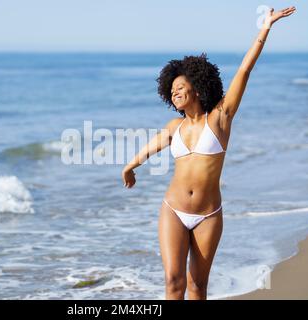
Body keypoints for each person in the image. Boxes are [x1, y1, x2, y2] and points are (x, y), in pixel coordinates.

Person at [121, 6, 296, 300]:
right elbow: (147, 150)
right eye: (172, 89)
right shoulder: (174, 126)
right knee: (173, 283)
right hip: (173, 210)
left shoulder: (220, 118)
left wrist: (265, 28)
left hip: (208, 215)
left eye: (180, 87)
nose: (175, 92)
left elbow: (244, 70)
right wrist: (129, 167)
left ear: (198, 89)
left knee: (197, 287)